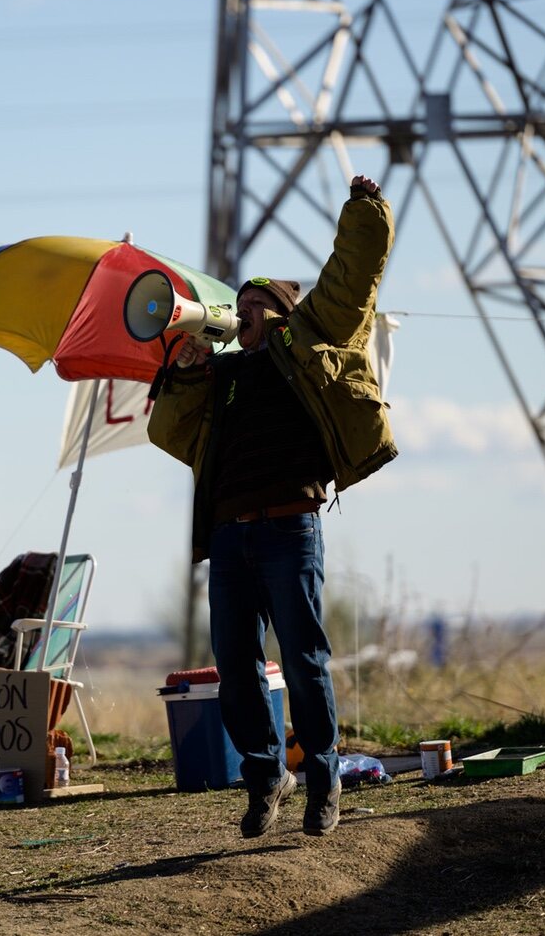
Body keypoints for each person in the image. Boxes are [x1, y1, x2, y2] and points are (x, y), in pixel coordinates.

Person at [148, 174, 397, 837]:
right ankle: (265, 779)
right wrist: (183, 371)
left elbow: (352, 275)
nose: (241, 311)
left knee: (305, 661)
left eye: (253, 303)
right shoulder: (222, 376)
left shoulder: (307, 343)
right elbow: (166, 431)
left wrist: (363, 209)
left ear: (282, 315)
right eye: (239, 304)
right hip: (231, 540)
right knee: (236, 668)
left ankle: (323, 783)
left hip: (291, 525)